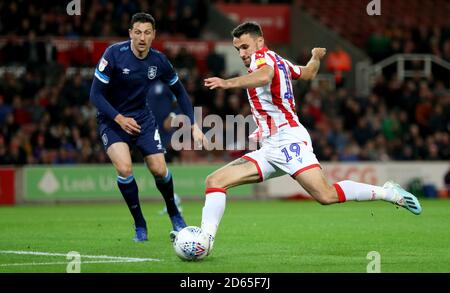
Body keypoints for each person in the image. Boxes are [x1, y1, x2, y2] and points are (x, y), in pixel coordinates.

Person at [202, 21, 422, 255]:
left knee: (325, 195)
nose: (243, 53)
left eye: (245, 46)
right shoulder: (281, 61)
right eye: (238, 49)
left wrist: (228, 82)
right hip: (270, 146)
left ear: (260, 41)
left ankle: (389, 192)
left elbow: (265, 76)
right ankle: (204, 242)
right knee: (214, 181)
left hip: (288, 141)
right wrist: (315, 56)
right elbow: (309, 72)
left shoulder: (262, 61)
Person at [89, 12, 205, 242]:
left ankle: (174, 213)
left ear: (154, 35)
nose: (142, 37)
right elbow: (95, 94)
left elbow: (180, 92)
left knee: (160, 170)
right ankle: (140, 225)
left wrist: (194, 124)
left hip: (142, 119)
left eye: (147, 32)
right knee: (124, 169)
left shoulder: (159, 61)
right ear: (130, 33)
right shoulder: (114, 54)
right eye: (138, 32)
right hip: (112, 120)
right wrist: (120, 118)